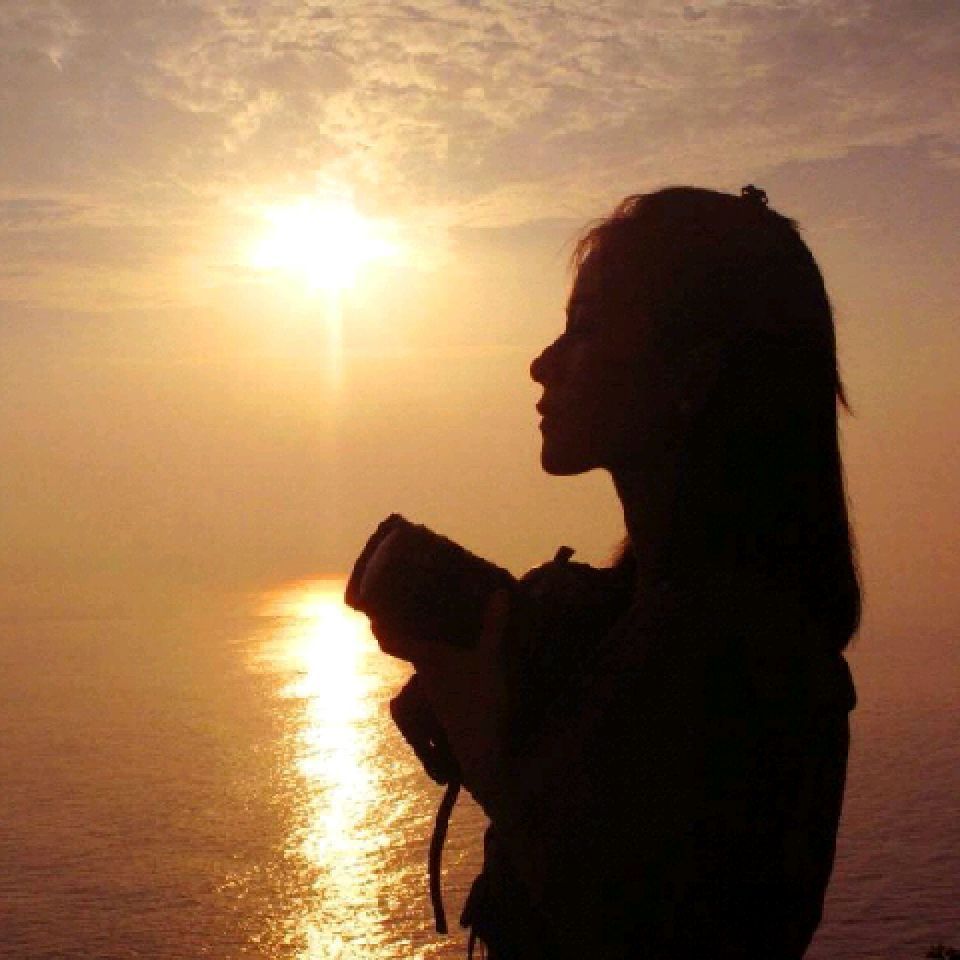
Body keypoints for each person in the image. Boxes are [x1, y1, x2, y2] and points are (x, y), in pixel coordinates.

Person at [376, 185, 860, 959]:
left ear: (694, 372)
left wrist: (484, 734)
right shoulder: (639, 621)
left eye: (585, 329)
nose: (543, 364)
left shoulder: (750, 664)